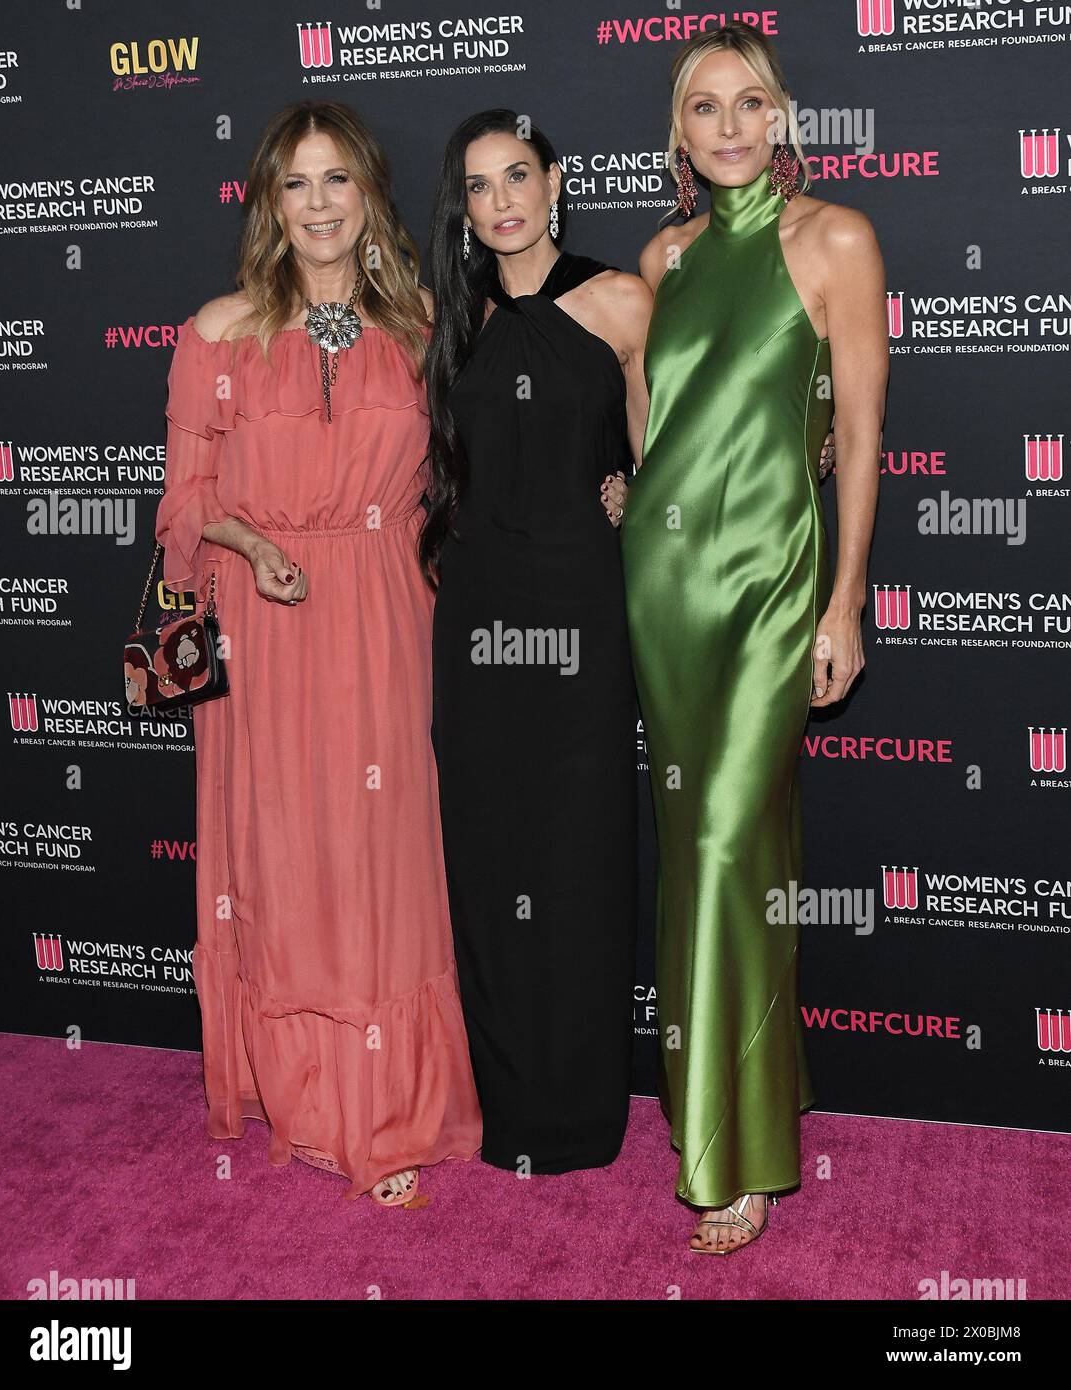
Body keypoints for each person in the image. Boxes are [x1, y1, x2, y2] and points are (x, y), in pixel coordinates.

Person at [156, 100, 481, 1207]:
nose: (318, 204)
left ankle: (386, 1105)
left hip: (387, 616)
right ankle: (311, 1099)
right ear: (266, 204)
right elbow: (184, 510)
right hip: (265, 621)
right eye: (294, 184)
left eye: (336, 179)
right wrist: (249, 542)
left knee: (379, 856)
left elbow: (473, 486)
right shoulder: (216, 337)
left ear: (369, 196)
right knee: (288, 858)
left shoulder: (426, 330)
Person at [621, 25, 886, 1252]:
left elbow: (861, 437)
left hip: (775, 585)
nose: (727, 127)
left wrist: (844, 599)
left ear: (781, 115)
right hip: (664, 591)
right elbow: (655, 431)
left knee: (730, 839)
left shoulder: (833, 240)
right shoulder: (662, 257)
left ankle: (736, 1155)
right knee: (699, 855)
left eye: (748, 103)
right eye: (701, 109)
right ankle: (732, 1104)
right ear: (676, 133)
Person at [421, 110, 651, 1174]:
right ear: (462, 208)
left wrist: (631, 498)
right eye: (478, 186)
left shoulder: (617, 301)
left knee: (578, 848)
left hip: (582, 616)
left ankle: (577, 1108)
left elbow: (663, 461)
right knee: (490, 850)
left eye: (517, 175)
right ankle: (507, 1108)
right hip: (474, 615)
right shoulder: (442, 316)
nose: (502, 199)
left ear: (554, 181)